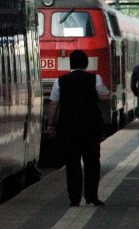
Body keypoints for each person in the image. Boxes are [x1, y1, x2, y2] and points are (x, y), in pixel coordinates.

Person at [47, 49, 111, 206]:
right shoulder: (95, 79)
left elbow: (54, 103)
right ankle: (91, 196)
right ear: (86, 63)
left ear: (70, 63)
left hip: (68, 129)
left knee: (72, 163)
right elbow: (105, 96)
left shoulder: (60, 81)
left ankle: (74, 198)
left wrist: (50, 124)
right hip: (90, 128)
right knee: (92, 163)